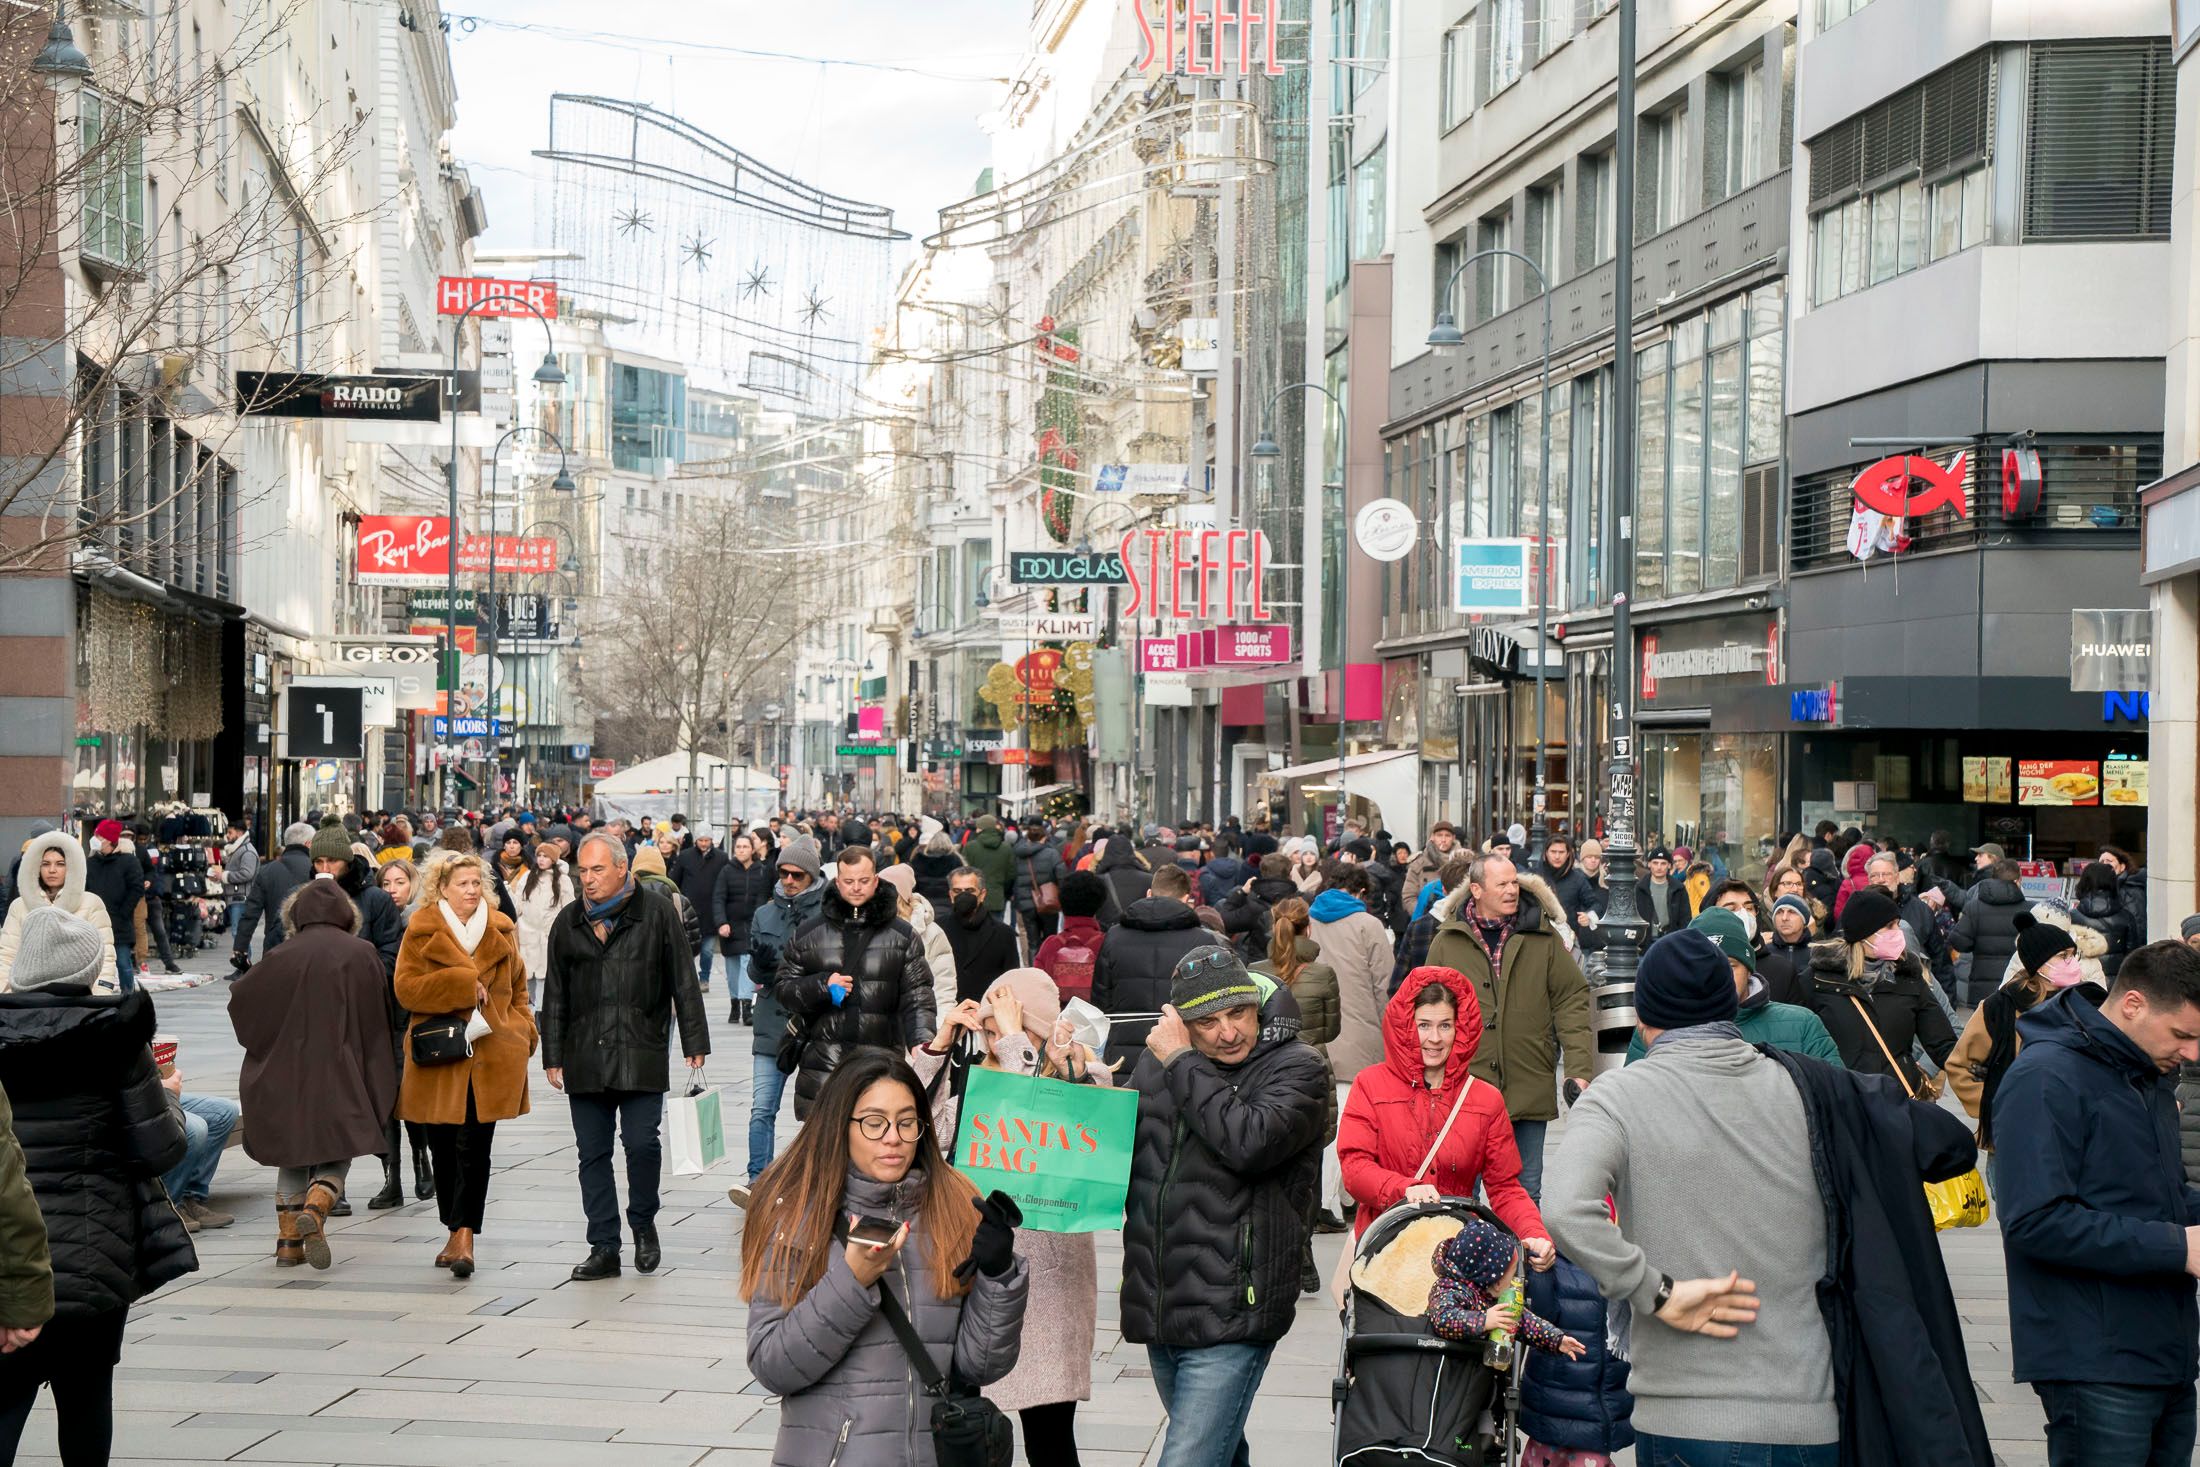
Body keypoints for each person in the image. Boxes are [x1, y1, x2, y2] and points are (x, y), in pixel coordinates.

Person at [1545, 927, 1988, 1467]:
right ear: (1730, 1003)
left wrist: (1655, 1292)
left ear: (1643, 1015)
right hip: (1810, 1415)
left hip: (1683, 1415)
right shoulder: (1806, 1087)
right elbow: (1946, 1144)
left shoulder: (1618, 1097)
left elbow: (1567, 1207)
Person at [742, 1050, 1030, 1467]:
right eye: (874, 1123)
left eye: (907, 1122)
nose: (893, 1137)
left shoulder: (952, 1205)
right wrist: (851, 1281)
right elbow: (773, 1365)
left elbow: (980, 1366)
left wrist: (998, 1276)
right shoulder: (798, 1214)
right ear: (840, 1125)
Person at [1119, 946, 1328, 1467]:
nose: (1228, 1032)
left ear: (1256, 1004)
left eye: (1238, 1013)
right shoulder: (1161, 1060)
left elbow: (1248, 1143)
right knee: (1220, 1453)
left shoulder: (1299, 1067)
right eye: (1207, 1022)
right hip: (1163, 1301)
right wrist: (1082, 1082)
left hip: (1237, 1306)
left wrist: (1183, 1059)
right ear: (1183, 1023)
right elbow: (1122, 1148)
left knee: (1188, 1459)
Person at [0, 906, 192, 1465]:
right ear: (89, 970)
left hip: (8, 1258)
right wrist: (171, 1096)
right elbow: (161, 1150)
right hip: (95, 1252)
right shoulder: (114, 1039)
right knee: (86, 1402)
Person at [1996, 940, 2200, 1465]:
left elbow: (2153, 1196)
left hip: (2164, 1354)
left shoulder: (2146, 1073)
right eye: (2183, 1034)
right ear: (2132, 1003)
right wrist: (2179, 1248)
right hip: (2095, 1360)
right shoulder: (2046, 1075)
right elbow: (2035, 1220)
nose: (2193, 1053)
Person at [911, 969, 1105, 1461]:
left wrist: (1017, 1040)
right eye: (990, 1032)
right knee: (970, 1436)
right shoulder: (980, 1084)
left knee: (1050, 1440)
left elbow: (1034, 1120)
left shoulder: (1083, 1076)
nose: (992, 1042)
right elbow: (915, 1130)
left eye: (1001, 1031)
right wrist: (940, 1046)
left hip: (1049, 1284)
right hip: (982, 1281)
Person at [542, 832, 709, 1281]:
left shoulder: (655, 913)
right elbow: (554, 994)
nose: (589, 880)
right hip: (585, 1054)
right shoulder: (569, 921)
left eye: (598, 870)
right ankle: (603, 1246)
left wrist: (695, 1045)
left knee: (641, 1143)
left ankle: (643, 1223)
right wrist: (552, 1054)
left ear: (622, 869)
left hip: (641, 1049)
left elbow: (684, 981)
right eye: (582, 871)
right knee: (592, 1153)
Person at [226, 879, 399, 1268]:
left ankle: (288, 1245)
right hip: (343, 1066)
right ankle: (319, 1204)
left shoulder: (282, 954)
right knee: (342, 1143)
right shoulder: (362, 953)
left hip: (286, 1070)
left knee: (293, 1151)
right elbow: (376, 1016)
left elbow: (242, 1002)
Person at [1338, 964, 1553, 1260]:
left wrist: (1534, 1233)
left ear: (1459, 1028)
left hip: (1457, 1252)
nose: (1435, 1039)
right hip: (1389, 1249)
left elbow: (1505, 1188)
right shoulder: (1370, 1085)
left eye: (1445, 1025)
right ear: (1406, 1026)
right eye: (1424, 1025)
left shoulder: (1485, 1099)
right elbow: (1355, 1168)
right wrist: (1403, 1188)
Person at [394, 853, 536, 1281]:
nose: (472, 890)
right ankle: (453, 1227)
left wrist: (526, 1030)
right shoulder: (420, 929)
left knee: (475, 1147)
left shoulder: (501, 928)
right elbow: (406, 989)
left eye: (477, 883)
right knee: (442, 1146)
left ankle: (465, 1235)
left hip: (492, 1052)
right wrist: (460, 984)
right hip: (440, 1054)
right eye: (463, 884)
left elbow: (519, 987)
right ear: (442, 887)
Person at [1424, 855, 1594, 1199]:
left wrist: (1577, 1068)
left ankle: (1524, 1255)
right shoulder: (1447, 940)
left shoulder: (1542, 937)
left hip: (1528, 1080)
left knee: (1524, 1192)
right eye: (1501, 883)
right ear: (1476, 890)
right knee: (1459, 1195)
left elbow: (1571, 998)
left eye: (1514, 881)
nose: (1512, 890)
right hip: (1463, 1088)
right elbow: (1425, 1009)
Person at [778, 846, 937, 1122]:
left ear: (876, 880)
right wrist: (822, 986)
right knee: (824, 1157)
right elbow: (784, 988)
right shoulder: (809, 934)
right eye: (849, 881)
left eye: (863, 881)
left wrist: (921, 1042)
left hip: (879, 1062)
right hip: (824, 1066)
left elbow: (918, 995)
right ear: (837, 882)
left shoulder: (902, 936)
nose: (856, 888)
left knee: (874, 1148)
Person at [1946, 915, 2092, 1198]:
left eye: (2073, 955)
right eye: (2063, 956)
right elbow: (1960, 1065)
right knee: (2017, 1224)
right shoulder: (1999, 1007)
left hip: (2068, 1135)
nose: (2071, 962)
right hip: (2011, 1139)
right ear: (2039, 963)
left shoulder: (2081, 1003)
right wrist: (1997, 1107)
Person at [1624, 910, 1842, 1066]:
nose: (1718, 977)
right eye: (1705, 968)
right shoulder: (1656, 1026)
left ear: (1749, 968)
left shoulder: (1802, 1025)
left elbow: (1833, 1098)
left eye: (1730, 966)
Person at [1254, 895, 1342, 1255]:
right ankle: (1302, 1244)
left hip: (1267, 1072)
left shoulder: (1255, 971)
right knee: (1312, 1163)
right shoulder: (1322, 975)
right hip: (1312, 1071)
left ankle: (1275, 1239)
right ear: (1308, 927)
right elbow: (1331, 1030)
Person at [1809, 888, 1957, 1090]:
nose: (1898, 931)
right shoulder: (1819, 979)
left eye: (1897, 923)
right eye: (1890, 926)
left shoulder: (1909, 977)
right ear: (1864, 933)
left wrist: (1975, 1067)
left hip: (1896, 1098)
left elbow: (1942, 1042)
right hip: (1843, 1098)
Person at [743, 839, 825, 1186]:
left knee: (818, 1113)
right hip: (771, 1022)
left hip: (815, 1026)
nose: (788, 880)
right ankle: (756, 1179)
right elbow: (755, 974)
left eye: (797, 875)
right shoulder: (764, 913)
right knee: (762, 1108)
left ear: (811, 876)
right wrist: (760, 968)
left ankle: (815, 1179)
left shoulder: (827, 913)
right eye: (784, 872)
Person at [1090, 861, 1212, 1072]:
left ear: (1149, 893)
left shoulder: (1114, 937)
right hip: (1179, 1050)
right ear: (1186, 899)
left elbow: (1100, 999)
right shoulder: (1203, 941)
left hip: (1121, 1051)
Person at [1428, 1213, 1583, 1361]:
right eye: (1512, 1275)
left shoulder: (1491, 1297)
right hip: (1437, 1367)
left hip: (1469, 1373)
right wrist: (1483, 1321)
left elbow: (1525, 1321)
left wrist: (1557, 1340)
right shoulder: (1448, 1289)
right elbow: (1443, 1318)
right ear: (1496, 1282)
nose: (1514, 1281)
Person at [0, 832, 118, 992]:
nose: (52, 870)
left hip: (78, 1000)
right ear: (36, 866)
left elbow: (105, 957)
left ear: (72, 866)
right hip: (29, 1001)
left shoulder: (91, 903)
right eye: (45, 864)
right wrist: (7, 997)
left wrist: (100, 996)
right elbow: (7, 955)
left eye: (60, 864)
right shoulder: (20, 906)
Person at [878, 863, 956, 1026]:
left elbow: (943, 989)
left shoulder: (931, 933)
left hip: (917, 1032)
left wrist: (936, 1034)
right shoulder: (867, 928)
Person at [712, 831, 776, 1025]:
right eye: (738, 847)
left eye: (745, 846)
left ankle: (746, 1005)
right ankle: (734, 1002)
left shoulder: (761, 870)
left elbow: (764, 896)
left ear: (752, 849)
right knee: (732, 969)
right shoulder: (726, 871)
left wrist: (761, 920)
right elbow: (718, 898)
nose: (741, 850)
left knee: (746, 963)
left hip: (751, 925)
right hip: (730, 926)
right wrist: (721, 922)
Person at [230, 822, 314, 966]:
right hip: (309, 944)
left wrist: (240, 946)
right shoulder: (316, 870)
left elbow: (251, 912)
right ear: (309, 843)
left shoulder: (267, 871)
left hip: (274, 943)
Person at [1951, 858, 2030, 1006]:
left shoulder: (1974, 908)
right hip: (2018, 986)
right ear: (2019, 880)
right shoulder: (2030, 910)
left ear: (1993, 879)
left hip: (1982, 990)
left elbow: (1959, 943)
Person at [80, 821, 145, 991]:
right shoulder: (91, 863)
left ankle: (128, 995)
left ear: (108, 839)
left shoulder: (128, 861)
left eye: (98, 836)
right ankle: (97, 993)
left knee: (123, 963)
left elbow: (136, 888)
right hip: (94, 923)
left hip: (119, 923)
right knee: (94, 964)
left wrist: (124, 911)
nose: (94, 839)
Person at [939, 867, 1018, 1004]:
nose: (963, 895)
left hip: (987, 1012)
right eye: (958, 891)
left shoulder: (1004, 934)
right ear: (951, 896)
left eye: (970, 891)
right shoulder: (938, 929)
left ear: (982, 895)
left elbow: (1011, 980)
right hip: (947, 1010)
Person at [512, 841, 572, 1012]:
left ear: (553, 859)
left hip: (549, 935)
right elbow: (518, 904)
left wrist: (563, 931)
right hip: (527, 934)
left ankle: (541, 1012)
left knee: (544, 976)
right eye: (539, 855)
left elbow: (568, 908)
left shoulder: (562, 880)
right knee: (527, 975)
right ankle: (529, 1010)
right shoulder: (528, 877)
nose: (541, 859)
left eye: (546, 856)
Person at [1033, 869, 1109, 1004]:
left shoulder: (1050, 945)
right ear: (1099, 903)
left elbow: (1037, 988)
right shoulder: (1107, 943)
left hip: (1059, 1019)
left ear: (1062, 902)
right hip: (1098, 1016)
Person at [670, 826, 730, 993]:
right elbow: (676, 880)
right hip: (689, 911)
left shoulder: (721, 858)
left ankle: (704, 978)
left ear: (712, 840)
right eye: (701, 840)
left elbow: (726, 882)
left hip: (711, 911)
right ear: (695, 840)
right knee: (687, 950)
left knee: (708, 950)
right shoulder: (685, 856)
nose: (704, 843)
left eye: (707, 840)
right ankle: (688, 978)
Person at [1214, 851, 1298, 964]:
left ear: (1263, 873)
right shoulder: (1299, 901)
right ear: (1289, 874)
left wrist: (1242, 892)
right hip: (1293, 961)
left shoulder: (1255, 904)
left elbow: (1225, 920)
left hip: (1261, 965)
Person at [630, 844, 702, 961]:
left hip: (636, 973)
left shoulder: (626, 899)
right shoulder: (679, 901)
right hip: (671, 974)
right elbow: (694, 945)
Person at [2071, 860, 2139, 978]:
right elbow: (2133, 959)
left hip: (2080, 983)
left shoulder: (2071, 916)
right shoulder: (2126, 917)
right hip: (2115, 986)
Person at [1011, 822, 1068, 957]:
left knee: (1033, 943)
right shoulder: (1052, 854)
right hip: (1048, 900)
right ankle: (1048, 970)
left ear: (1028, 838)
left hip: (1026, 903)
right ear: (1043, 838)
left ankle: (1033, 972)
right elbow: (1062, 877)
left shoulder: (1018, 854)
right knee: (1049, 940)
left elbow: (1012, 876)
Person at [961, 814, 1018, 926]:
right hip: (997, 898)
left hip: (973, 898)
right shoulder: (1006, 848)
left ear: (981, 828)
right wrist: (1004, 891)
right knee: (996, 933)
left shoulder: (970, 847)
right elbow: (1011, 874)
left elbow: (963, 872)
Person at [220, 818, 258, 938]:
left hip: (241, 899)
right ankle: (243, 957)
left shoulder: (246, 851)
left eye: (230, 832)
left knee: (239, 934)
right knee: (238, 933)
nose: (227, 835)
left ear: (239, 833)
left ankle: (244, 957)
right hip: (236, 898)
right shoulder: (239, 850)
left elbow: (247, 873)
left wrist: (224, 876)